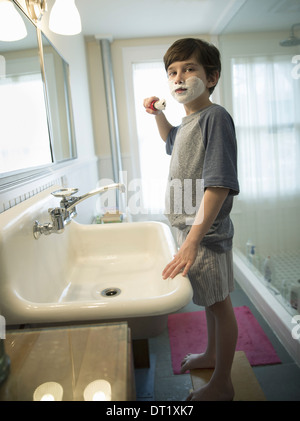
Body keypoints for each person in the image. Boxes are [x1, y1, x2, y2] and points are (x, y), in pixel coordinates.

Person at [143, 38, 239, 401]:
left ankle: (223, 383)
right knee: (211, 302)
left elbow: (218, 185)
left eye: (189, 69)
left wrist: (192, 240)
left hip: (205, 234)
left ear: (211, 77)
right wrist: (159, 116)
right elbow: (171, 139)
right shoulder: (189, 123)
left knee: (220, 305)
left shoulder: (215, 117)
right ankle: (212, 355)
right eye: (172, 71)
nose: (179, 76)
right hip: (193, 231)